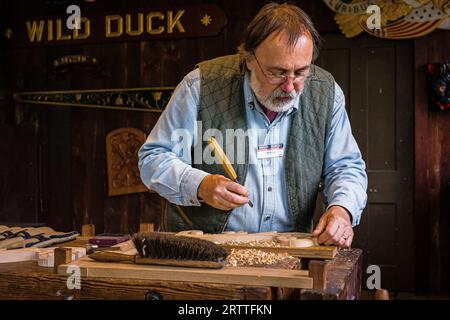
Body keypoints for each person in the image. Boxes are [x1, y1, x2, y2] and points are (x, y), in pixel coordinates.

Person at [138, 2, 367, 247]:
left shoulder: (327, 93)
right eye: (277, 73)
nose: (290, 87)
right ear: (248, 59)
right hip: (207, 251)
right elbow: (153, 158)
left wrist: (342, 209)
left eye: (300, 72)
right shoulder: (200, 87)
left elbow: (345, 167)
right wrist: (200, 185)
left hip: (291, 249)